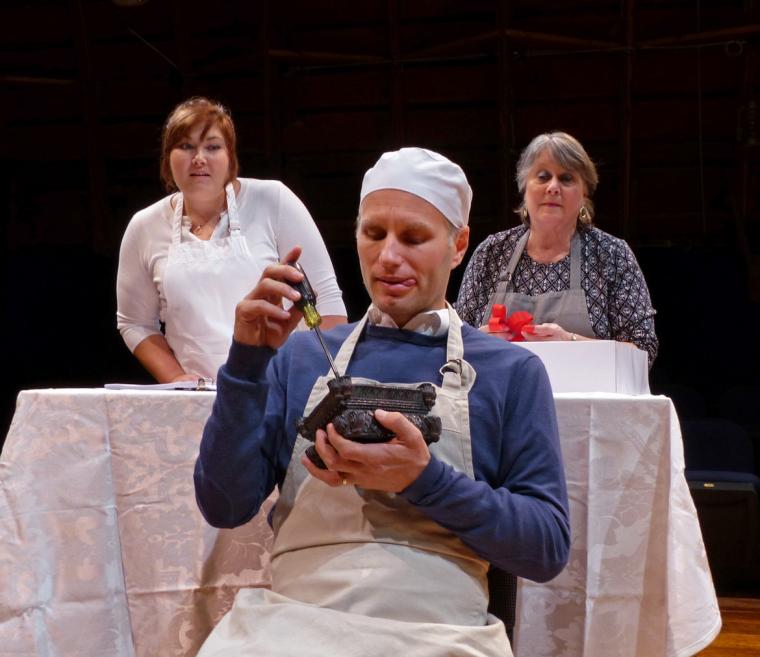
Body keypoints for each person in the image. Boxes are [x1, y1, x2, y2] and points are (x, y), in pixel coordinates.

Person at [193, 147, 570, 657]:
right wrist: (245, 364)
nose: (388, 256)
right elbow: (224, 505)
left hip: (441, 634)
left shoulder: (511, 372)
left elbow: (545, 547)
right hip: (296, 625)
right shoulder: (302, 357)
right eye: (374, 234)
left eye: (414, 238)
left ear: (459, 245)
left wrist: (423, 481)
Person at [116, 97, 346, 382]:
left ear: (231, 158)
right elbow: (134, 322)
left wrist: (308, 384)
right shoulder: (144, 227)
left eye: (212, 147)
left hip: (280, 393)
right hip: (198, 404)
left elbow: (329, 303)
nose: (199, 158)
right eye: (186, 146)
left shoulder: (273, 200)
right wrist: (176, 378)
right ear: (167, 158)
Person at [455, 131, 658, 366]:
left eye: (566, 178)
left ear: (584, 194)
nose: (553, 187)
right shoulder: (491, 253)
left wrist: (570, 342)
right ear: (524, 188)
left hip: (586, 400)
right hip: (502, 399)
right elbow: (453, 344)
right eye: (542, 177)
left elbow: (642, 351)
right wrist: (480, 341)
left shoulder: (612, 255)